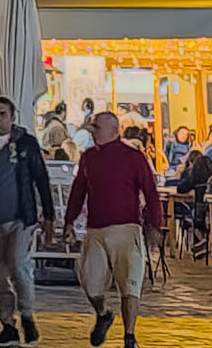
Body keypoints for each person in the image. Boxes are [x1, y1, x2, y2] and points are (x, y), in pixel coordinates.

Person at [62, 111, 160, 348]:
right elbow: (79, 191)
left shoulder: (133, 157)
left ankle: (129, 335)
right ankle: (103, 313)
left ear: (114, 130)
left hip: (127, 227)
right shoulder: (88, 158)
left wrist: (154, 225)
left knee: (130, 283)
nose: (93, 131)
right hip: (95, 228)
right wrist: (69, 221)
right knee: (90, 280)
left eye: (97, 127)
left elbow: (150, 192)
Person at [0, 96, 55, 346]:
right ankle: (7, 324)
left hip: (20, 218)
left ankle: (26, 313)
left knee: (18, 263)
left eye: (3, 114)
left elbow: (41, 179)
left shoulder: (26, 144)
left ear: (12, 117)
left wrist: (49, 215)